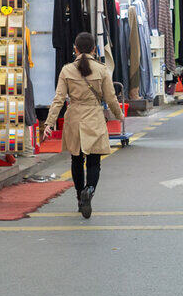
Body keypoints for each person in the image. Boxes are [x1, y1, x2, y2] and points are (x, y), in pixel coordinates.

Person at [41, 33, 125, 219]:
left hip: (74, 118)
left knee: (76, 160)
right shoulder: (102, 70)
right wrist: (119, 115)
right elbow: (111, 98)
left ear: (75, 49)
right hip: (94, 117)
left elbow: (59, 99)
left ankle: (80, 197)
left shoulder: (67, 70)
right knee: (94, 162)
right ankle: (90, 190)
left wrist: (49, 122)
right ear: (95, 49)